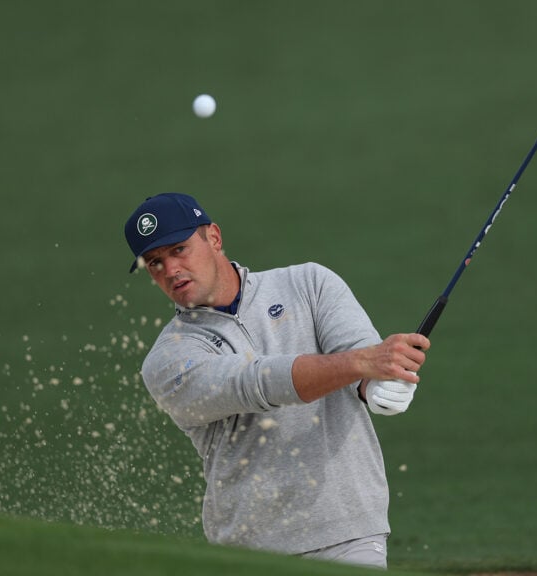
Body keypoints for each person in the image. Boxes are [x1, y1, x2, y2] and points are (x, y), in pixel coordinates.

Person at [123, 192, 430, 569]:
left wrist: (383, 386)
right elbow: (256, 383)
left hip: (349, 532)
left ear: (214, 238)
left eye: (179, 250)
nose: (170, 270)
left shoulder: (308, 284)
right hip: (251, 550)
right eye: (155, 262)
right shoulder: (169, 359)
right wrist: (364, 363)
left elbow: (361, 365)